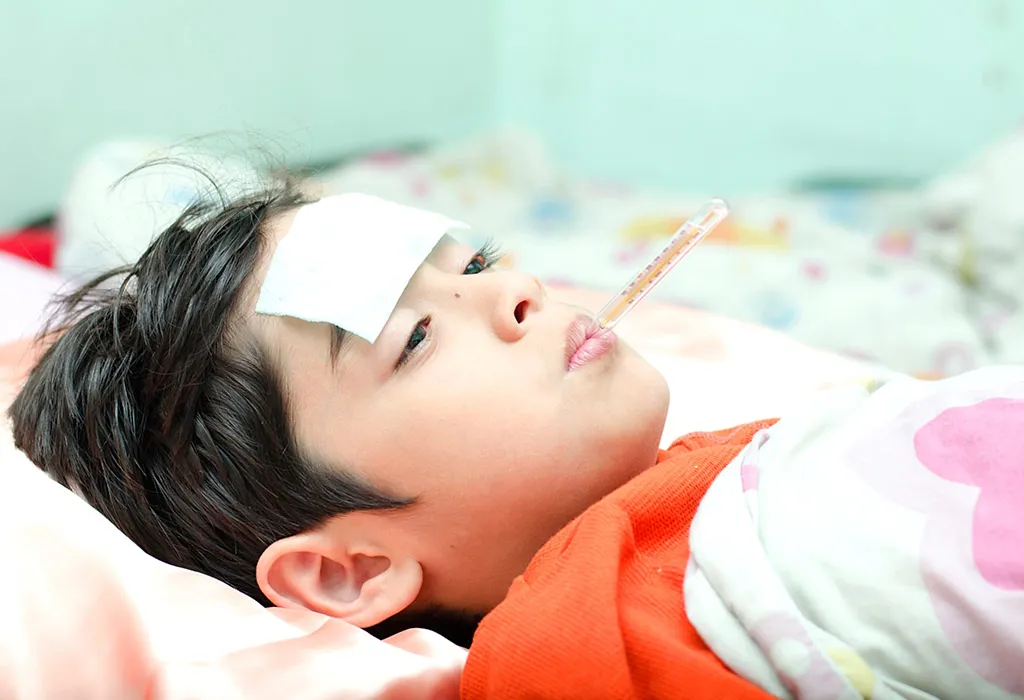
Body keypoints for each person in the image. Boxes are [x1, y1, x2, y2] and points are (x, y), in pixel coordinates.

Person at [11, 179, 1023, 699]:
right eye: (414, 334)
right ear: (351, 569)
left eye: (475, 262)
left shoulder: (725, 466)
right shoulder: (578, 646)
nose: (515, 292)